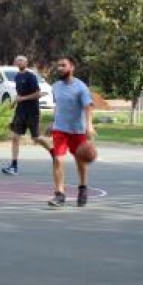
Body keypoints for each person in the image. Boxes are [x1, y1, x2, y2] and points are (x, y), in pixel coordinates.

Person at [47, 55, 95, 208]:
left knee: (80, 161)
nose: (60, 68)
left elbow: (88, 107)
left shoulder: (81, 87)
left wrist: (89, 125)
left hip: (77, 131)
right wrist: (53, 122)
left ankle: (82, 188)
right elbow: (58, 105)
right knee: (58, 159)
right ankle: (59, 194)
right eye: (59, 65)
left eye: (63, 65)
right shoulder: (55, 86)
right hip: (60, 129)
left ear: (72, 67)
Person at [1, 55, 51, 175]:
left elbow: (38, 94)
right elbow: (19, 94)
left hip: (32, 111)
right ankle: (14, 166)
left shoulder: (31, 76)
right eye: (17, 60)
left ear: (26, 63)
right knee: (15, 137)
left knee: (36, 138)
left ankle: (53, 152)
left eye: (21, 60)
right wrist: (13, 103)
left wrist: (23, 98)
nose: (19, 62)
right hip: (20, 111)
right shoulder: (17, 77)